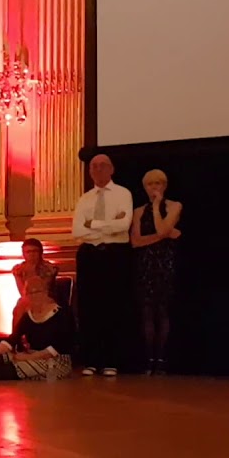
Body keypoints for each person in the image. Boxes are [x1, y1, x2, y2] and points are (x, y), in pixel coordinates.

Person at [71, 154, 133, 377]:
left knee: (113, 308)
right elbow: (77, 231)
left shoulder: (123, 194)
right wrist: (109, 225)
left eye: (102, 166)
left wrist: (93, 224)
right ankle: (91, 360)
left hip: (114, 255)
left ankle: (111, 360)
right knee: (89, 309)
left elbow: (124, 225)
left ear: (112, 169)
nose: (98, 170)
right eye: (93, 167)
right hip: (89, 256)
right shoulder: (84, 199)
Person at [0, 276, 75, 381]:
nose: (33, 296)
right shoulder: (28, 316)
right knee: (1, 357)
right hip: (33, 355)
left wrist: (29, 357)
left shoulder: (62, 314)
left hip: (55, 360)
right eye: (29, 293)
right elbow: (12, 339)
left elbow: (60, 346)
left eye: (37, 292)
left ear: (46, 292)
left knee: (16, 366)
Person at [130, 169, 182, 375]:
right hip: (145, 265)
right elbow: (136, 241)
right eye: (150, 184)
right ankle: (148, 358)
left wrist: (157, 207)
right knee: (147, 313)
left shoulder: (174, 206)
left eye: (158, 183)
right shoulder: (138, 211)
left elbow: (161, 228)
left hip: (165, 264)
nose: (154, 188)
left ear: (165, 185)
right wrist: (169, 234)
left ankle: (162, 358)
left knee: (163, 311)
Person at [11, 238, 58, 325]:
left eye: (35, 251)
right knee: (20, 307)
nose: (32, 254)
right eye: (28, 252)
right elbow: (23, 291)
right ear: (23, 254)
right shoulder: (18, 269)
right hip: (27, 299)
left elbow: (44, 289)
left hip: (47, 298)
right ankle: (15, 336)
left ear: (41, 252)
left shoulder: (50, 268)